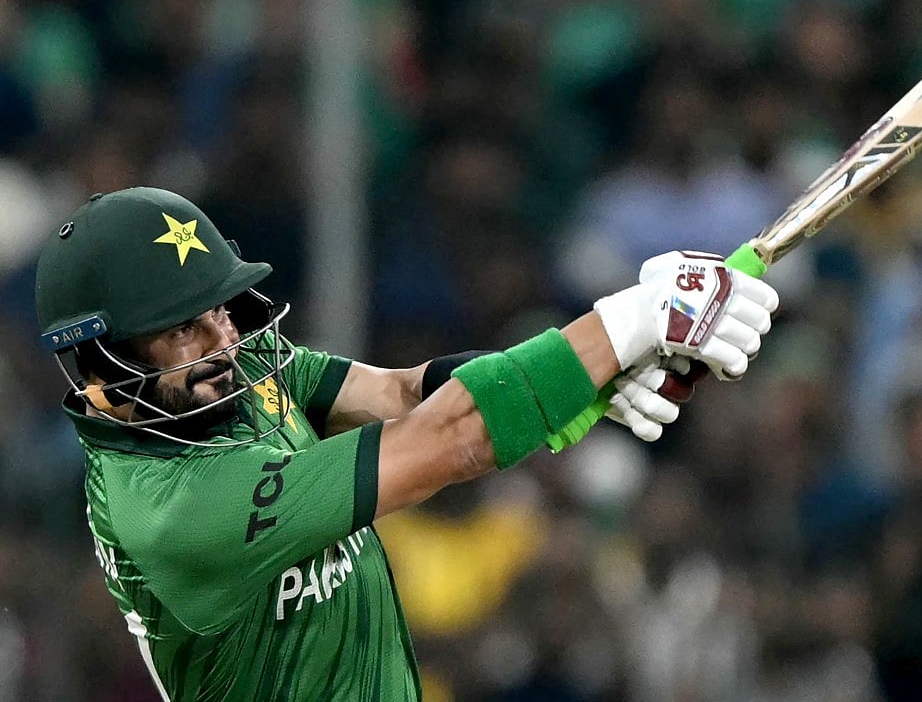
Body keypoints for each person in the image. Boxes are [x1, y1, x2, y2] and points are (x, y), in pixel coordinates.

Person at [33, 186, 779, 701]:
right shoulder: (175, 509)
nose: (222, 340)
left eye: (219, 310)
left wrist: (597, 378)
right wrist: (627, 321)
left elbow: (406, 392)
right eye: (181, 329)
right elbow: (450, 437)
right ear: (103, 366)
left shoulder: (228, 376)